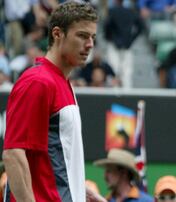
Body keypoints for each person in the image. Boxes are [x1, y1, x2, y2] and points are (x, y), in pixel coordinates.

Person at [2, 2, 105, 202]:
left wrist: (81, 192)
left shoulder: (61, 83)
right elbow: (13, 155)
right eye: (82, 36)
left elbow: (51, 167)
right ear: (57, 34)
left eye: (92, 37)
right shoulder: (38, 82)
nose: (90, 44)